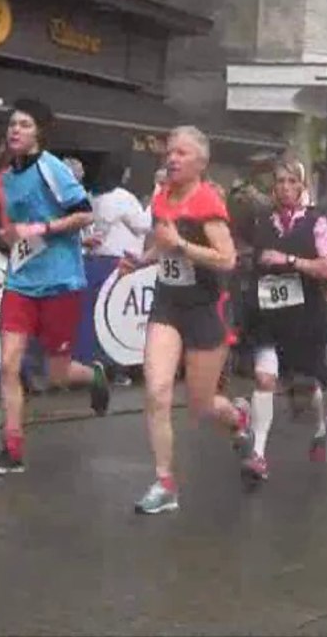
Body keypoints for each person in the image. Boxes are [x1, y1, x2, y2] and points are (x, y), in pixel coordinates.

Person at [0, 99, 109, 476]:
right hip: (20, 280)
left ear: (39, 133)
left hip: (60, 280)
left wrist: (43, 229)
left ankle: (94, 375)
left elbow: (85, 212)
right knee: (8, 365)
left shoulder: (52, 168)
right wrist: (10, 237)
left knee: (58, 374)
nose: (15, 131)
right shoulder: (5, 178)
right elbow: (14, 229)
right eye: (12, 125)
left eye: (24, 125)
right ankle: (13, 448)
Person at [127, 126, 251, 514]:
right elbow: (161, 243)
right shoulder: (161, 195)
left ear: (200, 163)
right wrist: (140, 260)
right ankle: (164, 483)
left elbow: (228, 259)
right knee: (157, 391)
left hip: (203, 310)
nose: (172, 158)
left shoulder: (207, 202)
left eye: (182, 153)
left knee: (200, 406)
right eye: (170, 152)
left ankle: (237, 417)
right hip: (167, 304)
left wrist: (181, 245)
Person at [241, 155, 327, 480]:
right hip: (268, 317)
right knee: (264, 379)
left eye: (291, 182)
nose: (284, 188)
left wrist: (291, 260)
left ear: (302, 187)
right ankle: (258, 455)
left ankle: (320, 422)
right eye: (279, 181)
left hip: (305, 318)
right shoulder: (261, 221)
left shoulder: (317, 224)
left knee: (305, 388)